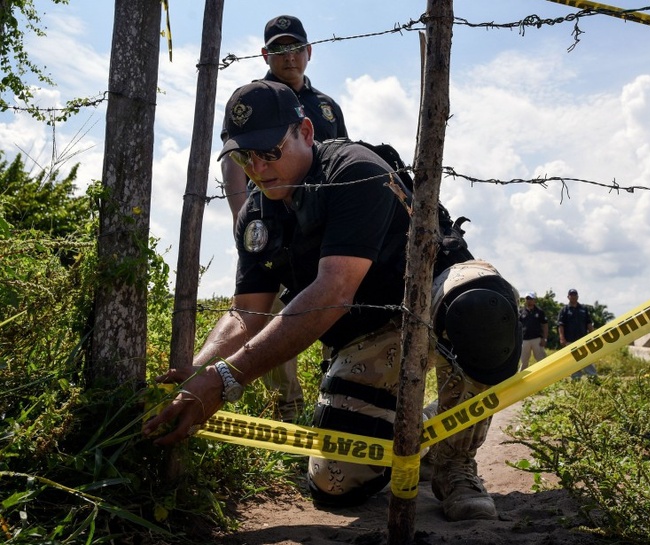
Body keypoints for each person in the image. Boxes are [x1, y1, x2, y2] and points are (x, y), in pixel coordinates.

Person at [145, 80, 523, 521]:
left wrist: (227, 379)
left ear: (306, 132)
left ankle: (455, 462)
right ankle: (423, 437)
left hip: (431, 297)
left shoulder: (353, 169)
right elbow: (245, 312)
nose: (259, 168)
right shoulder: (257, 214)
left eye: (270, 151)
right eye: (245, 157)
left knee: (480, 310)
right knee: (335, 483)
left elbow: (333, 291)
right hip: (366, 336)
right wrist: (200, 370)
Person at [221, 15, 349, 421]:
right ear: (265, 55)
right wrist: (244, 215)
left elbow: (342, 157)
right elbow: (234, 161)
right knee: (268, 312)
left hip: (323, 223)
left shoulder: (327, 108)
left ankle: (339, 397)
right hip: (274, 226)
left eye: (295, 47)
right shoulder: (252, 100)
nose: (288, 56)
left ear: (308, 52)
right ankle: (287, 408)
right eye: (277, 48)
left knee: (336, 303)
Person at [557, 288, 596, 380]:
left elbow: (589, 323)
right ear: (568, 297)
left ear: (577, 296)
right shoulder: (564, 310)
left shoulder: (583, 309)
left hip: (583, 339)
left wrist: (593, 335)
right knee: (573, 361)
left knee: (587, 359)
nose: (573, 297)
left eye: (575, 295)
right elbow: (561, 325)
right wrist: (562, 338)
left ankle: (592, 377)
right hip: (570, 340)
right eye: (571, 295)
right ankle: (576, 378)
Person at [518, 291, 548, 370]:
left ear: (534, 300)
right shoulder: (521, 312)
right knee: (524, 362)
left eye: (531, 298)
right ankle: (521, 379)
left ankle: (544, 376)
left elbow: (545, 325)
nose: (529, 300)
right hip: (524, 340)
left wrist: (544, 338)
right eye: (527, 298)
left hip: (537, 339)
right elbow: (517, 326)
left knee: (541, 360)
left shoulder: (540, 312)